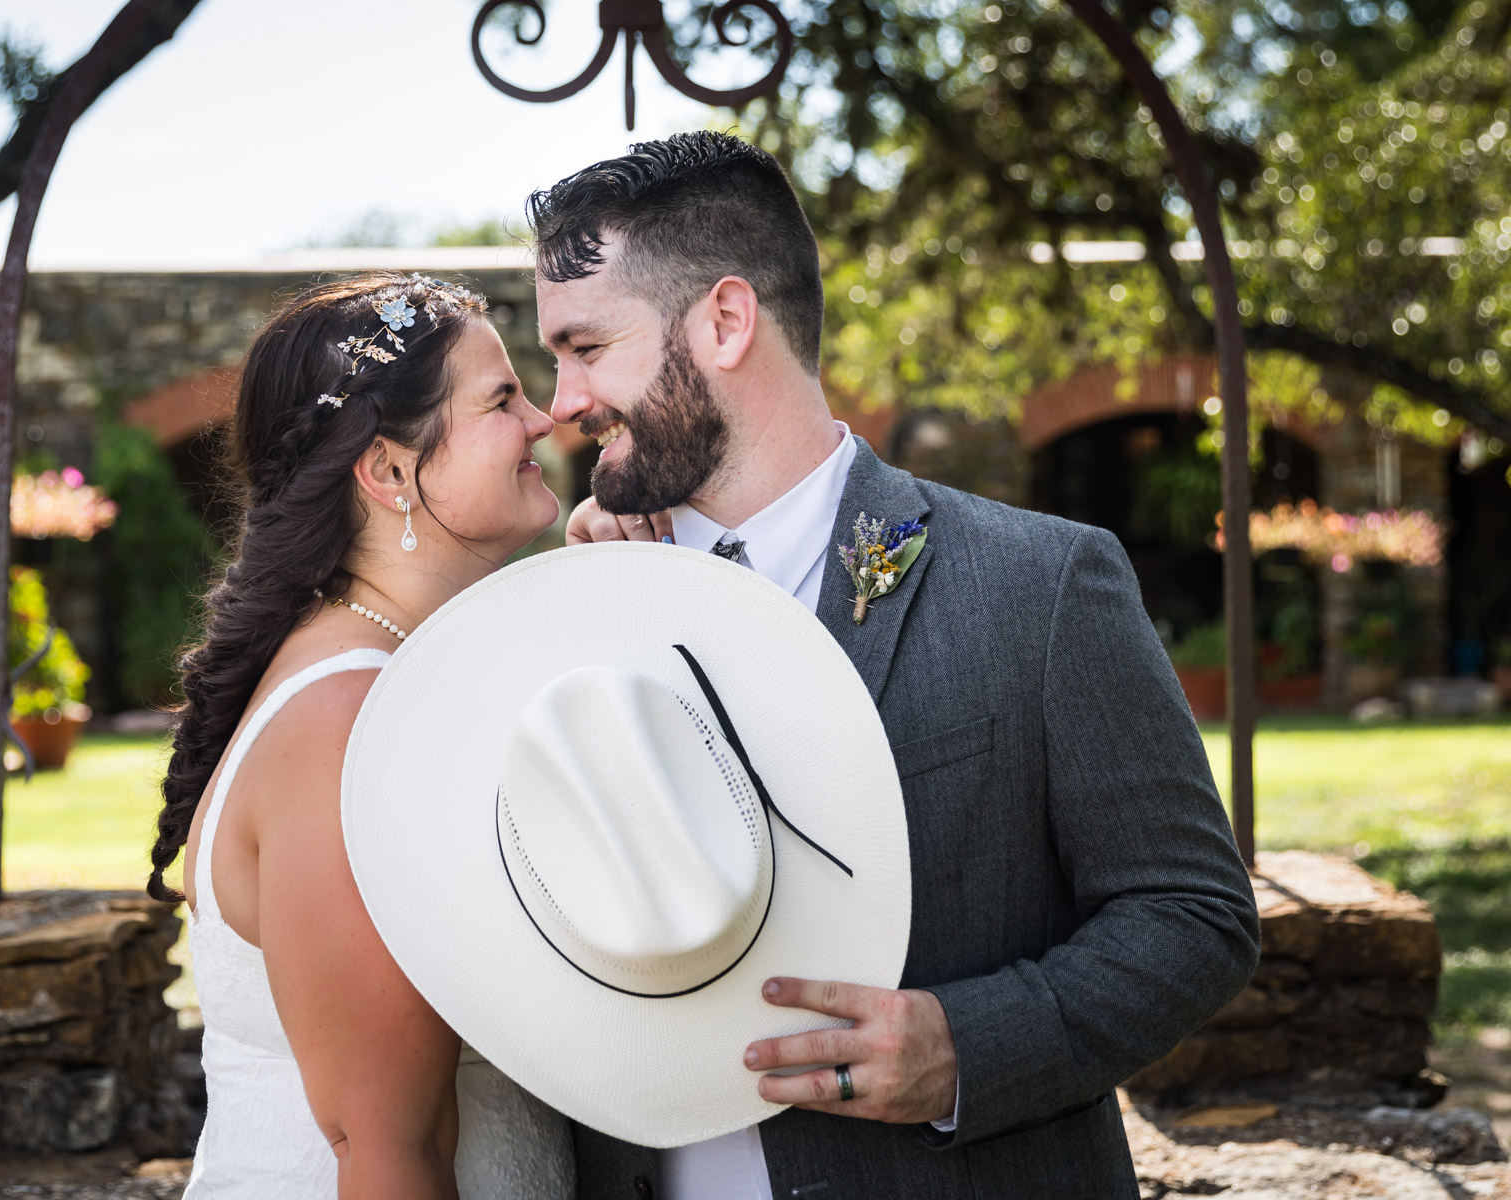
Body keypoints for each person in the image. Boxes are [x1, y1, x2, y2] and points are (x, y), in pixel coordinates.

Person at [538, 131, 1261, 1199]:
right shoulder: (577, 606)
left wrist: (968, 1049)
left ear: (727, 321)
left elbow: (1195, 916)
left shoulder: (1045, 586)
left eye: (587, 347)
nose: (562, 400)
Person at [146, 273, 575, 1200]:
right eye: (502, 399)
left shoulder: (397, 678)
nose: (543, 420)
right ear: (387, 472)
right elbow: (386, 1149)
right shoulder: (346, 724)